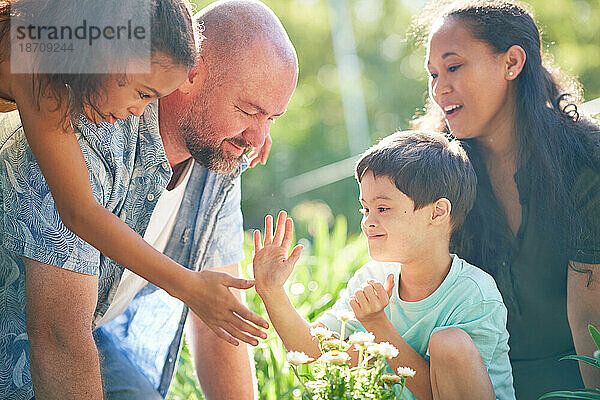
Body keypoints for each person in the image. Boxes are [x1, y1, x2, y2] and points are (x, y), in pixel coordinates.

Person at [0, 0, 298, 399]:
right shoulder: (72, 103)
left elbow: (220, 323)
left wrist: (247, 124)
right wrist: (186, 285)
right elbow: (58, 332)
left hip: (91, 335)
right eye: (248, 110)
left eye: (271, 119)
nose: (258, 140)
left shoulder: (217, 150)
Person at [412, 0, 600, 397]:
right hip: (479, 382)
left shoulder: (585, 163)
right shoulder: (437, 176)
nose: (439, 87)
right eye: (433, 74)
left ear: (512, 62)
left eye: (454, 66)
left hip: (573, 383)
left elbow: (589, 320)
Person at [252, 131, 516, 400]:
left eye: (383, 209)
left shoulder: (474, 296)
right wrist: (272, 290)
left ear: (437, 212)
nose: (368, 222)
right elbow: (314, 352)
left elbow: (435, 395)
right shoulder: (372, 278)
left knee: (449, 344)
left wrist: (377, 324)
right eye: (365, 209)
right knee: (354, 354)